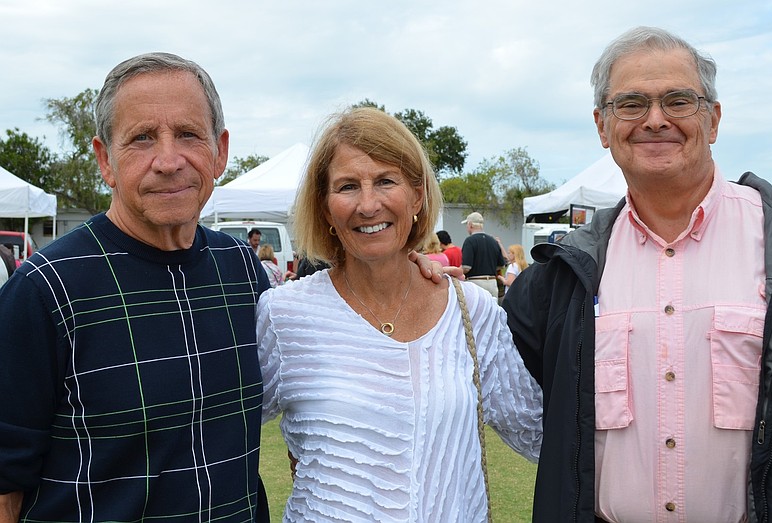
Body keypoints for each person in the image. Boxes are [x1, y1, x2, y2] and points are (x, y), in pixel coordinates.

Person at [501, 27, 772, 522]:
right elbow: (491, 363)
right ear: (602, 126)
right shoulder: (567, 273)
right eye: (631, 104)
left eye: (678, 101)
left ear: (714, 119)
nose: (655, 120)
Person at [0, 52, 270, 521]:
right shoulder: (44, 291)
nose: (168, 161)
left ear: (220, 151)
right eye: (142, 138)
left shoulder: (242, 269)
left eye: (188, 134)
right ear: (105, 159)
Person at [257, 107, 543, 522]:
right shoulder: (285, 314)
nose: (368, 204)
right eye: (348, 186)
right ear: (325, 208)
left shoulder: (472, 312)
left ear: (417, 196)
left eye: (386, 181)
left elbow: (538, 433)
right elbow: (222, 434)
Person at [460, 211, 506, 298]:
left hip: (475, 283)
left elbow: (466, 267)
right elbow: (501, 265)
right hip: (492, 282)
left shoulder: (469, 241)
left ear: (470, 225)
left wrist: (456, 271)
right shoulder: (493, 241)